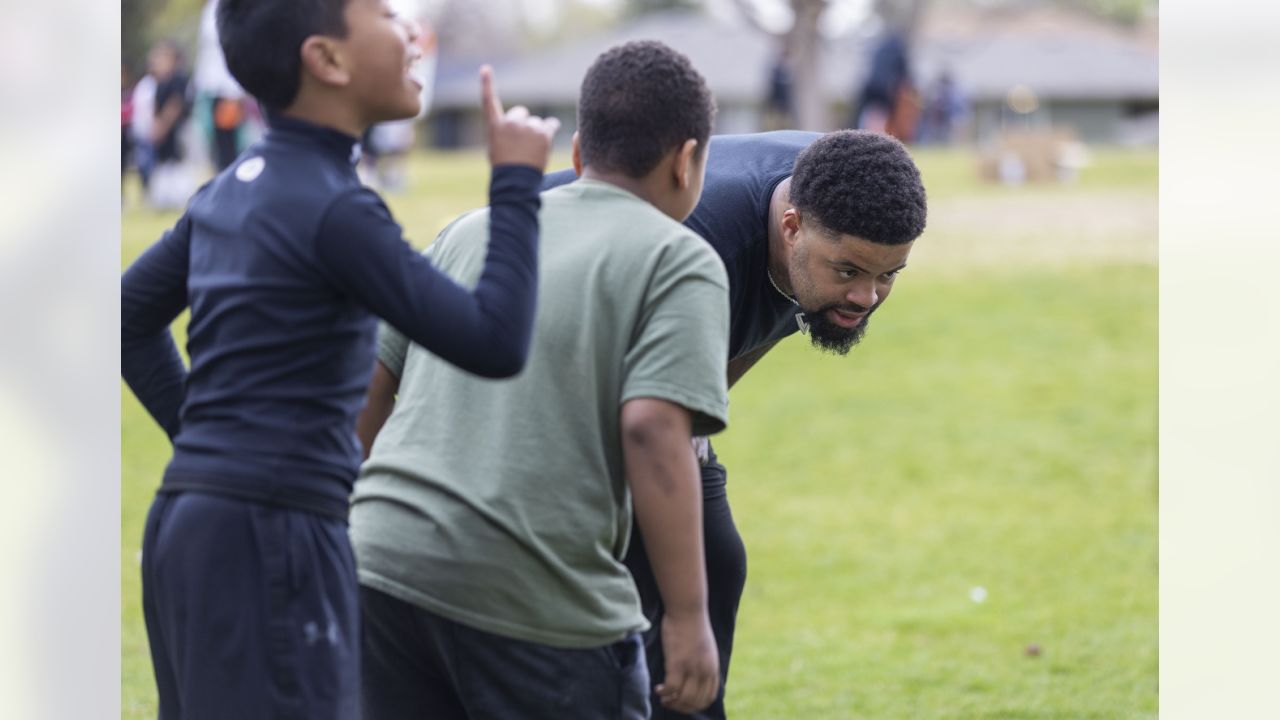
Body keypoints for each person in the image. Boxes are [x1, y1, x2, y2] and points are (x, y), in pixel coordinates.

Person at [120, 0, 560, 715]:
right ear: (326, 59)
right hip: (272, 535)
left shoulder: (229, 190)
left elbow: (126, 318)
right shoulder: (336, 210)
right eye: (388, 15)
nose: (413, 33)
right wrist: (514, 184)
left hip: (189, 523)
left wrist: (208, 458)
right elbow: (494, 339)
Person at [351, 40, 727, 718]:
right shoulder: (680, 259)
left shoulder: (475, 230)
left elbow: (369, 387)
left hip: (382, 562)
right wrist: (688, 614)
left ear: (578, 153)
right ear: (687, 160)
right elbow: (650, 428)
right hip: (534, 601)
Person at [541, 128, 929, 719]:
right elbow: (631, 417)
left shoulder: (843, 186)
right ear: (791, 226)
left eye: (889, 276)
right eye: (849, 271)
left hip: (637, 388)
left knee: (713, 563)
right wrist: (685, 614)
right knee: (617, 587)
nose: (867, 297)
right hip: (543, 361)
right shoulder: (697, 246)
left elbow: (752, 331)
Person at [146, 39, 195, 210]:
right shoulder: (158, 82)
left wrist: (163, 126)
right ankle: (163, 198)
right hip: (163, 132)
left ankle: (180, 196)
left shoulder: (178, 79)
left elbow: (175, 105)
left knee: (178, 161)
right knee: (163, 162)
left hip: (176, 130)